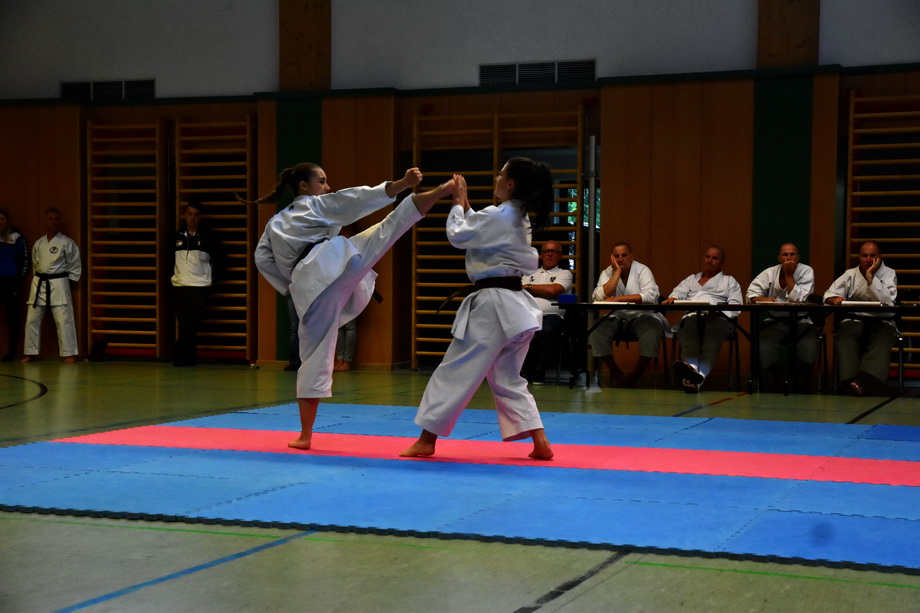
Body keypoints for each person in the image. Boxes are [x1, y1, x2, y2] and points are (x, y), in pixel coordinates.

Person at [249, 163, 454, 450]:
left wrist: (291, 284)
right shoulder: (315, 205)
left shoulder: (274, 224)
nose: (327, 187)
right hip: (339, 259)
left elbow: (263, 260)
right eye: (322, 181)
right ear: (304, 187)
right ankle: (441, 191)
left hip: (309, 284)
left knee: (313, 358)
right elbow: (353, 199)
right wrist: (400, 184)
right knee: (389, 227)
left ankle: (306, 435)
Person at [401, 158, 555, 460]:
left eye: (501, 174)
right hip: (515, 308)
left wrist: (458, 203)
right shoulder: (516, 215)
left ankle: (426, 439)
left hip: (493, 308)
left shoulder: (501, 214)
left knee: (455, 369)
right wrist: (468, 207)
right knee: (508, 378)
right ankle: (540, 441)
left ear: (510, 184)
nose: (496, 177)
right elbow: (483, 232)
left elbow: (459, 235)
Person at [663, 246, 743, 393]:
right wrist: (673, 298)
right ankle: (694, 374)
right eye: (707, 257)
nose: (710, 260)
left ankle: (693, 377)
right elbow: (676, 295)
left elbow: (735, 306)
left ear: (722, 262)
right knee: (689, 343)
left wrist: (718, 312)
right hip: (692, 316)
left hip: (718, 318)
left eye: (715, 258)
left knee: (709, 346)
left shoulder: (729, 281)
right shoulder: (691, 280)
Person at [823, 240, 898, 396]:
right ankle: (849, 381)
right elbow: (829, 293)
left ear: (880, 256)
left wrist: (871, 277)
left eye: (873, 255)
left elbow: (888, 301)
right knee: (845, 337)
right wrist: (833, 299)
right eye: (865, 256)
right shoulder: (850, 274)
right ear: (859, 257)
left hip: (882, 321)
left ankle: (865, 380)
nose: (868, 259)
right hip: (855, 319)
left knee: (883, 339)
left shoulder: (889, 273)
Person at [588, 242, 667, 387]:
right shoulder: (608, 272)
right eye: (616, 256)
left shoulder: (642, 270)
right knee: (596, 330)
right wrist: (617, 273)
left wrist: (618, 299)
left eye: (624, 255)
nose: (620, 259)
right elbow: (598, 296)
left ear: (631, 256)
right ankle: (616, 372)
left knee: (652, 331)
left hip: (642, 316)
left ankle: (636, 374)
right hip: (616, 316)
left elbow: (650, 296)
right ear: (612, 258)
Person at [747, 243, 819, 388]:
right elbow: (750, 294)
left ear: (798, 257)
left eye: (792, 254)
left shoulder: (806, 271)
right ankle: (772, 377)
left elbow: (798, 298)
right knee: (763, 346)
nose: (789, 258)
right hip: (775, 322)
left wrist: (788, 275)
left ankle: (806, 379)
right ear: (779, 258)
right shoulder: (769, 272)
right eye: (785, 254)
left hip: (801, 322)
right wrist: (763, 299)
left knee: (810, 346)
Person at [22, 208, 82, 363]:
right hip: (39, 282)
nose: (53, 222)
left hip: (59, 282)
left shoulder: (67, 243)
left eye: (56, 219)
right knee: (32, 320)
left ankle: (69, 353)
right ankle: (30, 352)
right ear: (46, 221)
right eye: (50, 219)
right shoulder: (39, 243)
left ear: (59, 222)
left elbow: (75, 265)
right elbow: (36, 265)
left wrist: (70, 280)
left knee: (63, 319)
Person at [171, 197, 224, 366]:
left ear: (200, 217)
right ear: (184, 215)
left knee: (190, 323)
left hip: (200, 286)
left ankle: (179, 356)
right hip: (179, 285)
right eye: (189, 214)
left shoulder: (209, 237)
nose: (192, 218)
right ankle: (189, 358)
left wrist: (213, 278)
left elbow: (221, 260)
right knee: (185, 324)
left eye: (195, 215)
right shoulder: (176, 237)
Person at [520, 239, 573, 384]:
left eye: (554, 251)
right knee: (517, 329)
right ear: (541, 255)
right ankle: (522, 370)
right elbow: (520, 291)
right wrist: (545, 290)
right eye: (546, 251)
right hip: (528, 314)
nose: (550, 254)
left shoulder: (565, 274)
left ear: (560, 255)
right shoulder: (529, 273)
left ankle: (539, 371)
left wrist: (530, 288)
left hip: (553, 316)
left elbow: (554, 290)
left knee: (547, 330)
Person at [0, 208, 29, 361]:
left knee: (12, 318)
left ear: (8, 221)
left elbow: (25, 260)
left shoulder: (16, 237)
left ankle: (11, 352)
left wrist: (19, 282)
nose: (0, 222)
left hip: (11, 281)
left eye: (3, 219)